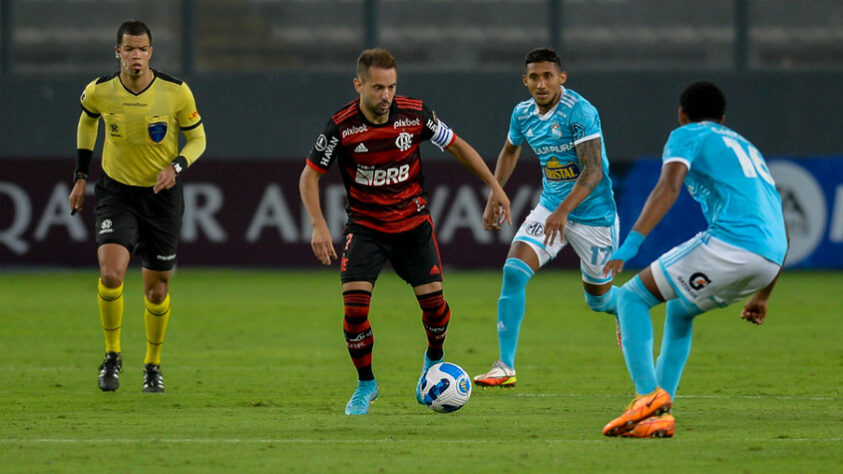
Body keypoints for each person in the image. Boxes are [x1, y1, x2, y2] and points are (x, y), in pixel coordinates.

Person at [299, 48, 511, 415]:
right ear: (359, 85)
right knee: (354, 311)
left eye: (391, 87)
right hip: (365, 229)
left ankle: (433, 360)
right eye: (378, 88)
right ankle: (366, 385)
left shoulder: (416, 115)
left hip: (413, 227)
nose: (386, 96)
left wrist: (495, 186)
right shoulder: (341, 126)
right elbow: (309, 177)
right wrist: (318, 224)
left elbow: (458, 147)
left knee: (435, 309)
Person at [601, 81, 788, 438]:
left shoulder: (688, 134)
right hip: (772, 256)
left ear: (682, 114)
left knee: (630, 297)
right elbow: (782, 223)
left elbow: (668, 186)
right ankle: (661, 408)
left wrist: (631, 245)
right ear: (723, 116)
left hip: (733, 243)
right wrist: (763, 294)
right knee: (681, 308)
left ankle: (646, 399)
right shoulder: (747, 147)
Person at [68, 20, 206, 393]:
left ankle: (152, 364)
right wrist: (81, 175)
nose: (135, 56)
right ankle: (112, 356)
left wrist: (176, 167)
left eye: (142, 49)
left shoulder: (176, 92)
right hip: (117, 194)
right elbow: (87, 121)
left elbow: (198, 139)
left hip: (161, 199)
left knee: (156, 291)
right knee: (111, 275)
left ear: (150, 53)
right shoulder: (100, 91)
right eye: (128, 49)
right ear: (118, 53)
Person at [474, 48, 621, 388]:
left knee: (598, 301)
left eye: (548, 76)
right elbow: (511, 150)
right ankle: (505, 366)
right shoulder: (523, 114)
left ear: (561, 78)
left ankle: (624, 309)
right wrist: (496, 192)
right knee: (513, 271)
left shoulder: (580, 112)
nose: (541, 84)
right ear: (525, 80)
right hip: (551, 208)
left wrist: (565, 211)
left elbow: (594, 170)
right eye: (534, 77)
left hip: (594, 216)